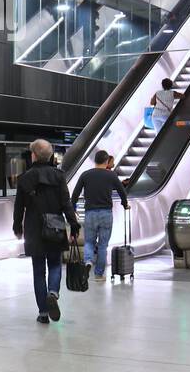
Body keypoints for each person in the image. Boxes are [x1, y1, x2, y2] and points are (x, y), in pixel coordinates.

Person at [13, 139, 80, 324]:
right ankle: (53, 292)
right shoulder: (59, 176)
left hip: (34, 229)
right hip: (56, 227)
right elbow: (66, 203)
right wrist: (74, 225)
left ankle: (43, 313)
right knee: (55, 264)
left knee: (38, 270)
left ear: (33, 155)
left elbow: (19, 207)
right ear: (50, 156)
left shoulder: (25, 179)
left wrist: (17, 227)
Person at [71, 150, 129, 282]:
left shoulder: (85, 175)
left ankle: (88, 262)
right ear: (106, 161)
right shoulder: (111, 175)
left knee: (89, 242)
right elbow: (122, 192)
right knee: (103, 245)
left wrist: (73, 209)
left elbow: (74, 195)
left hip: (90, 213)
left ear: (95, 161)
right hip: (106, 214)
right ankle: (99, 274)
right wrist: (125, 204)